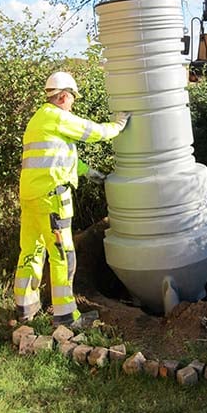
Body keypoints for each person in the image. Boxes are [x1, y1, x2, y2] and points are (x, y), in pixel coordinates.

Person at [14, 71, 131, 327]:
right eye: (72, 100)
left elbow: (58, 155)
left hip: (31, 198)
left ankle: (25, 309)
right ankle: (66, 317)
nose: (72, 105)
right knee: (63, 256)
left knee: (31, 252)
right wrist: (119, 126)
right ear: (64, 96)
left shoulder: (39, 119)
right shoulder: (57, 117)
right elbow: (92, 131)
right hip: (51, 200)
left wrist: (88, 172)